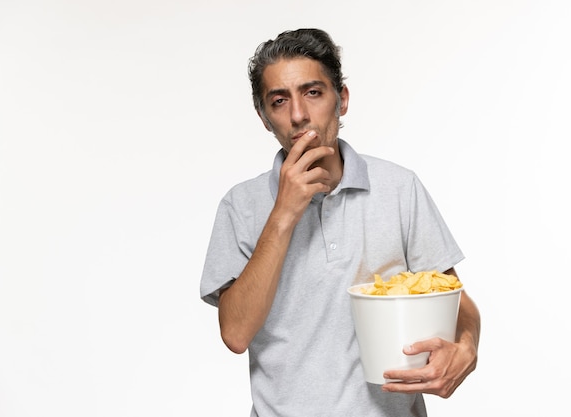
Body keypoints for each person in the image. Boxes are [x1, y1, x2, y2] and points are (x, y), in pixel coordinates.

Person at [200, 28, 480, 416]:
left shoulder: (399, 188)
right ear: (264, 118)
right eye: (279, 101)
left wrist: (466, 347)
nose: (299, 115)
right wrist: (283, 213)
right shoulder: (240, 206)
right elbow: (234, 333)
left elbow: (456, 302)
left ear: (342, 99)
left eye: (313, 93)